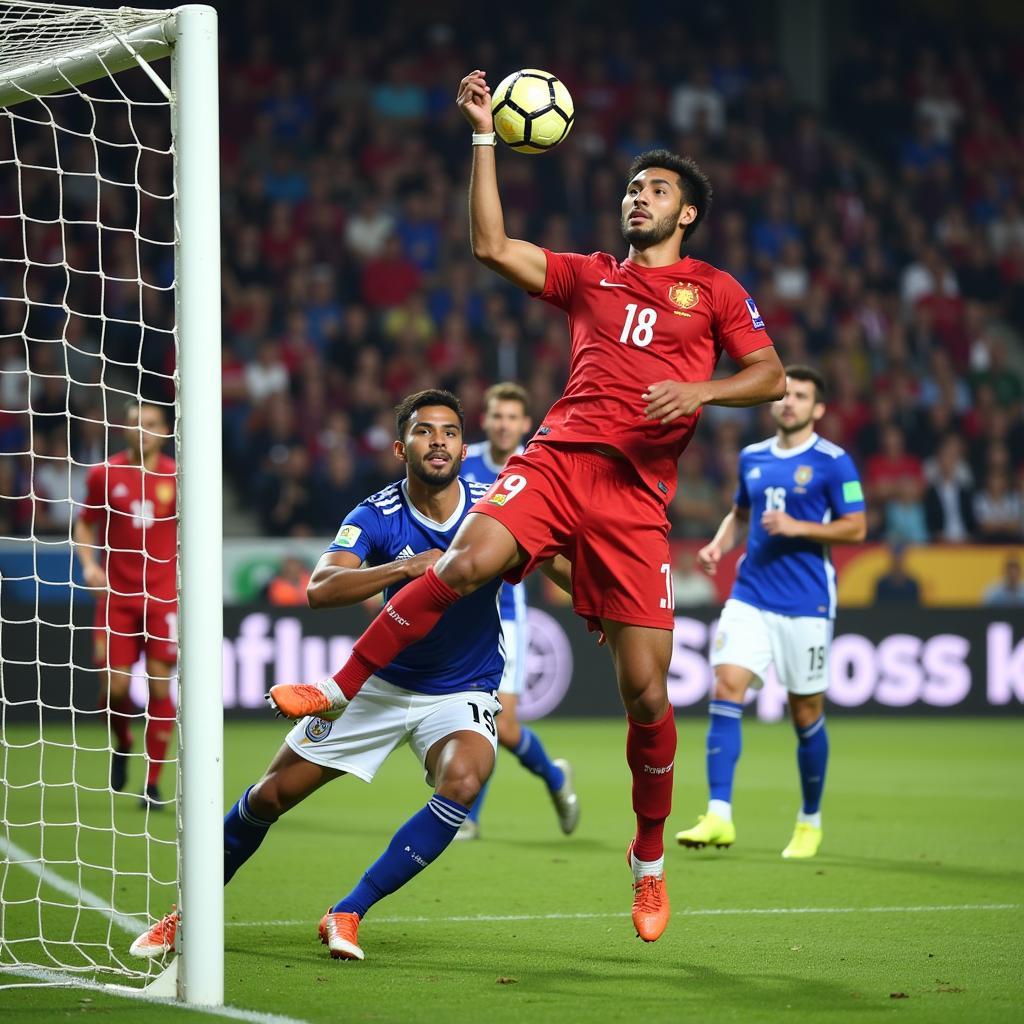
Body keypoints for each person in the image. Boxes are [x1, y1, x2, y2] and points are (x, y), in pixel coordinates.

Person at [268, 70, 786, 943]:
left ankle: (648, 861)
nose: (638, 197)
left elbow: (769, 376)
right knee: (464, 563)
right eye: (631, 187)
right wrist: (482, 137)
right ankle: (336, 687)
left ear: (686, 212)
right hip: (555, 461)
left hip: (634, 500)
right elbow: (492, 246)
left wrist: (698, 391)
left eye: (655, 189)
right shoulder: (591, 277)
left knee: (646, 692)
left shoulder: (718, 291)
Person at [129, 390, 572, 962]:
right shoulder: (377, 514)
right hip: (378, 685)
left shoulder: (496, 508)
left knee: (464, 780)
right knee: (269, 796)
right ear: (399, 447)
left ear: (465, 450)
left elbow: (561, 564)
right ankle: (185, 914)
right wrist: (403, 567)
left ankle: (348, 911)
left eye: (449, 432)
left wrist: (603, 604)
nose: (437, 440)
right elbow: (319, 588)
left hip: (461, 690)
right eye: (423, 431)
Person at [676, 366, 866, 859]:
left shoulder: (833, 462)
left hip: (807, 604)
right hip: (750, 594)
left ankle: (810, 820)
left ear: (817, 408)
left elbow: (856, 528)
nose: (790, 403)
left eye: (801, 396)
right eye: (785, 395)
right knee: (726, 686)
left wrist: (798, 528)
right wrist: (719, 544)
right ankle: (719, 814)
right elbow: (740, 514)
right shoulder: (752, 457)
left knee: (805, 713)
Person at [457, 381, 579, 840]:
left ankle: (550, 778)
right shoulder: (462, 463)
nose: (505, 424)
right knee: (470, 712)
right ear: (485, 420)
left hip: (506, 610)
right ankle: (467, 812)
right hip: (458, 604)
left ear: (526, 424)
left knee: (502, 725)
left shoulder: (540, 467)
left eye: (513, 417)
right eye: (497, 416)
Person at [73, 401, 177, 810]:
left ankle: (151, 784)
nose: (142, 430)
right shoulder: (104, 474)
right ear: (124, 429)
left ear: (165, 430)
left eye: (150, 424)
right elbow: (84, 521)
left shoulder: (177, 476)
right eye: (135, 424)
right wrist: (88, 564)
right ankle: (123, 739)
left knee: (158, 685)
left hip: (163, 598)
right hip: (115, 598)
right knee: (115, 689)